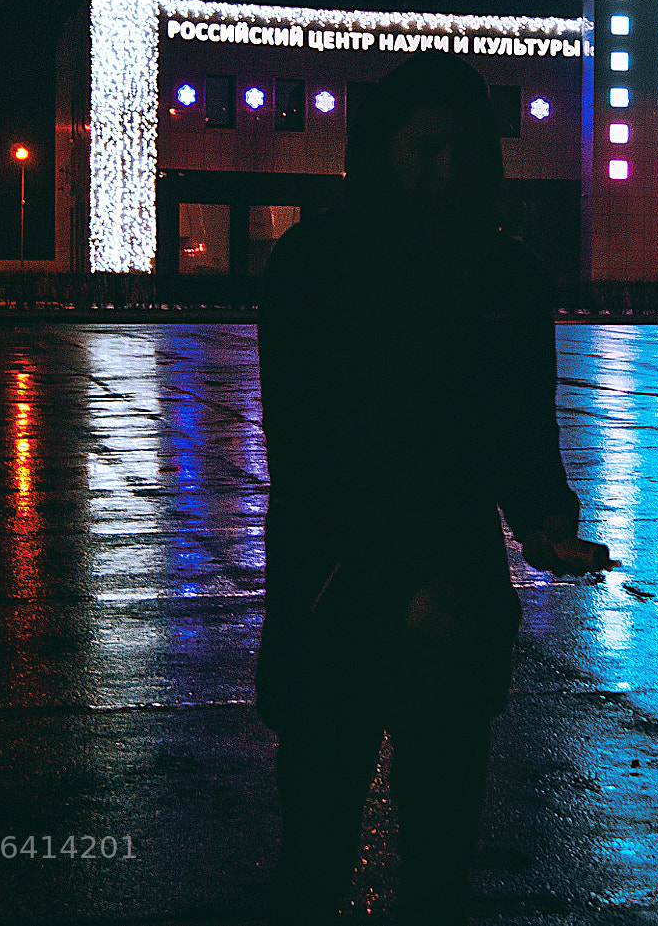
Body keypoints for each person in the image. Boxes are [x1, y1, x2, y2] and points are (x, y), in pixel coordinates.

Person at [257, 50, 614, 924]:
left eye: (464, 148)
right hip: (333, 599)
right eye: (423, 147)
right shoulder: (314, 267)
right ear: (379, 150)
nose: (445, 169)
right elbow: (310, 451)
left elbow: (520, 432)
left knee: (442, 868)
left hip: (453, 606)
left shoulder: (509, 277)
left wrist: (544, 521)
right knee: (315, 856)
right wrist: (405, 583)